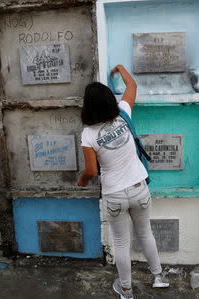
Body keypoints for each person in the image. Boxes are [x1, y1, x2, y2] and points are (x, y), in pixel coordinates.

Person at [78, 65, 169, 299]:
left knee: (120, 242)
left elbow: (90, 170)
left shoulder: (88, 134)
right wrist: (119, 68)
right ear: (109, 99)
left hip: (115, 195)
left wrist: (82, 181)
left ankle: (126, 290)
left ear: (88, 107)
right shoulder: (123, 112)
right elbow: (132, 85)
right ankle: (158, 277)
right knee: (145, 233)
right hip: (139, 188)